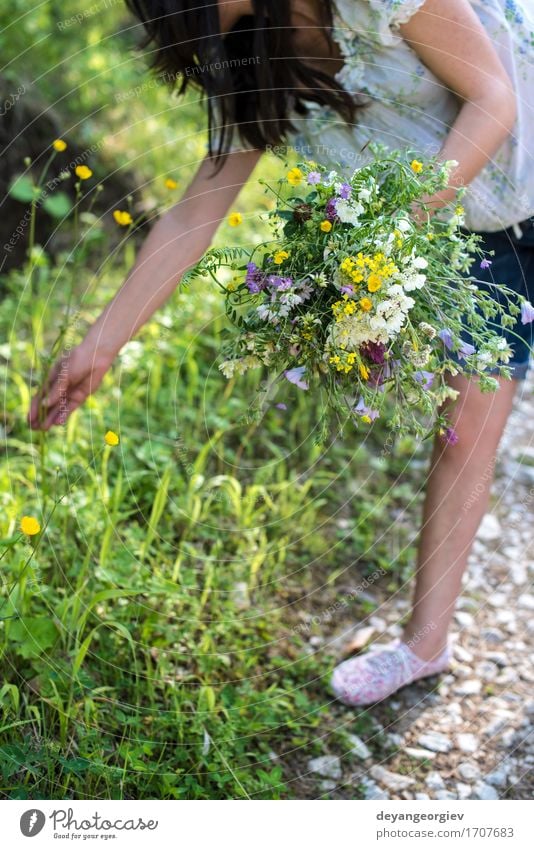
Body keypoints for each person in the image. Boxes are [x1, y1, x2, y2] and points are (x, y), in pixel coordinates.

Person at [28, 0, 534, 706]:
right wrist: (100, 344)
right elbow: (194, 213)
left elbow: (494, 95)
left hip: (486, 176)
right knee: (464, 434)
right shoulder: (251, 61)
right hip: (472, 230)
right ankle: (426, 645)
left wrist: (391, 233)